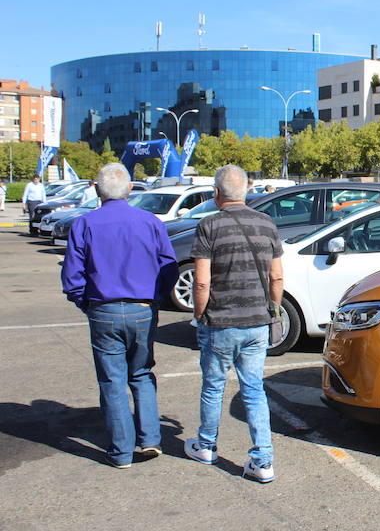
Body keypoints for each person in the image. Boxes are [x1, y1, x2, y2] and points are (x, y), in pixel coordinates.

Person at [61, 163, 178, 468]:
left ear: (98, 191)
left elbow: (72, 276)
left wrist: (85, 303)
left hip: (104, 309)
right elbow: (169, 267)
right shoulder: (150, 222)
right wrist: (157, 298)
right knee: (141, 373)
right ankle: (150, 439)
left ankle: (121, 451)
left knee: (112, 380)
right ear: (129, 189)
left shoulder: (84, 224)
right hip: (142, 308)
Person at [185, 164, 283, 483]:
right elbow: (277, 276)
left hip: (220, 322)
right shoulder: (266, 223)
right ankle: (263, 460)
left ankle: (206, 445)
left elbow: (201, 283)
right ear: (246, 192)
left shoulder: (209, 225)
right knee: (254, 389)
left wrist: (200, 314)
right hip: (257, 322)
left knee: (213, 386)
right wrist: (274, 309)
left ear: (216, 193)